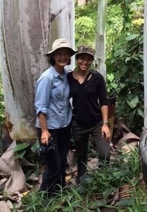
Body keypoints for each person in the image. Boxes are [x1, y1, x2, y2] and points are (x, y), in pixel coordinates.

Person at [35, 38, 76, 194]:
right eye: (59, 54)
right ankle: (44, 198)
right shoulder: (47, 78)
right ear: (53, 56)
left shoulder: (67, 75)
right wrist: (44, 131)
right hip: (49, 129)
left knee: (63, 162)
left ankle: (59, 192)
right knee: (54, 165)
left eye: (66, 54)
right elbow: (41, 106)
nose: (63, 57)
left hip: (64, 126)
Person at [67, 45, 111, 183]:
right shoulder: (68, 78)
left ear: (92, 61)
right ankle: (82, 183)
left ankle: (104, 180)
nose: (84, 62)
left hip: (96, 123)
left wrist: (105, 124)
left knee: (105, 153)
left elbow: (104, 101)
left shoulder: (97, 78)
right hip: (78, 124)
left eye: (88, 59)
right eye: (81, 58)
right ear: (77, 59)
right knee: (81, 156)